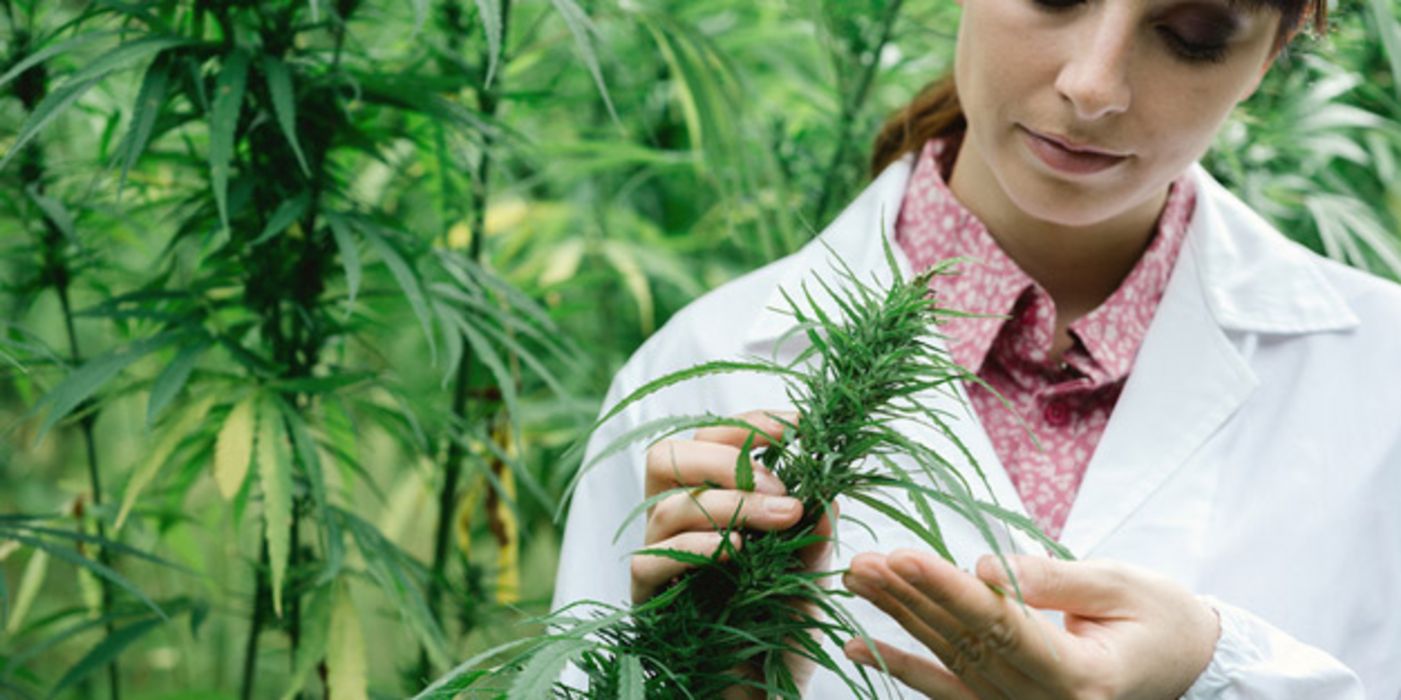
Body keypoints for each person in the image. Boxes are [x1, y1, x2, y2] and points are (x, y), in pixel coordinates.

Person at [553, 0, 1401, 696]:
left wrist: (1215, 674)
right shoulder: (695, 371)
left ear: (1269, 52)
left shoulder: (1378, 379)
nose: (1092, 85)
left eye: (1192, 34)